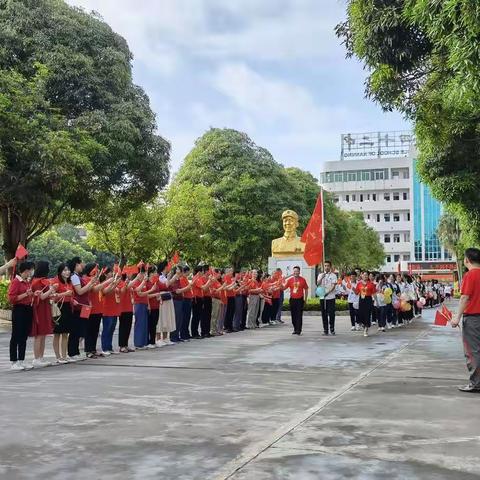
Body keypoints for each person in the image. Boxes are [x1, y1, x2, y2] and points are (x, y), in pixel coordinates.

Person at [451, 248, 480, 393]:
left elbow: (464, 298)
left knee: (472, 351)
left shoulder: (470, 275)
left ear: (467, 260)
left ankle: (476, 383)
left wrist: (456, 317)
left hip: (473, 319)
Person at [68, 257, 97, 361]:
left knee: (81, 330)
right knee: (75, 330)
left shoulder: (78, 277)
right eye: (81, 263)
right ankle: (72, 352)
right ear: (76, 265)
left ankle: (76, 352)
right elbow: (79, 291)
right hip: (77, 307)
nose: (83, 265)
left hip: (83, 306)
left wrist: (91, 283)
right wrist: (90, 283)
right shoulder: (74, 277)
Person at [8, 261, 35, 370]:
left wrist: (33, 294)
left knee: (24, 335)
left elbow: (28, 295)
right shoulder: (16, 281)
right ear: (26, 270)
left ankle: (21, 360)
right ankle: (14, 361)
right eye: (30, 270)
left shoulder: (27, 282)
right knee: (16, 335)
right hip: (19, 310)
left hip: (28, 309)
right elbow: (12, 299)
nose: (31, 272)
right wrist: (25, 294)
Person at [30, 261, 57, 367]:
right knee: (39, 335)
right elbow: (41, 297)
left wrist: (51, 292)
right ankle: (36, 358)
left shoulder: (42, 281)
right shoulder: (37, 282)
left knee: (43, 334)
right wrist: (51, 290)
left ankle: (41, 357)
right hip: (39, 309)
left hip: (44, 308)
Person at [52, 263, 74, 364]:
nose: (67, 272)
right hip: (58, 308)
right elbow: (52, 296)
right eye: (64, 270)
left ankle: (64, 356)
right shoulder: (56, 281)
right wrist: (65, 294)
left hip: (67, 308)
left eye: (68, 270)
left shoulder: (69, 282)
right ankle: (58, 356)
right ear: (60, 272)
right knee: (57, 333)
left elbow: (71, 294)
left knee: (65, 333)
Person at [101, 267, 121, 355]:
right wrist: (112, 284)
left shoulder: (111, 282)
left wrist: (116, 283)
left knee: (112, 329)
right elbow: (105, 292)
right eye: (110, 272)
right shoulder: (103, 283)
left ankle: (109, 347)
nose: (111, 274)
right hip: (107, 309)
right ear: (105, 274)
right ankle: (105, 348)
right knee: (107, 329)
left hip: (114, 309)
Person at [284, 266, 309, 335]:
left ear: (299, 272)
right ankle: (295, 328)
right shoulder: (290, 280)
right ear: (293, 272)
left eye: (297, 271)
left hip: (300, 300)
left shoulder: (303, 280)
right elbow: (283, 288)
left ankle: (298, 330)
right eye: (294, 271)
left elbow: (306, 289)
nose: (296, 272)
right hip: (292, 300)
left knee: (299, 315)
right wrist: (279, 284)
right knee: (293, 315)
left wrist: (305, 299)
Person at [317, 261, 338, 335]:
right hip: (322, 297)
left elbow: (333, 286)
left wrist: (327, 293)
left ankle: (332, 328)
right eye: (325, 266)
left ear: (330, 266)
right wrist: (322, 277)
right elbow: (317, 284)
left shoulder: (333, 275)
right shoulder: (320, 275)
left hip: (331, 297)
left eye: (328, 266)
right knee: (324, 314)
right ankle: (325, 329)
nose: (326, 267)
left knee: (332, 314)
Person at [356, 271, 376, 337]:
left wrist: (377, 302)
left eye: (366, 275)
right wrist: (353, 290)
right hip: (361, 299)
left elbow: (374, 293)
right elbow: (356, 292)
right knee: (361, 314)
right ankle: (364, 325)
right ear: (362, 276)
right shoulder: (359, 284)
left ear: (368, 276)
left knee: (367, 314)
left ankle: (366, 329)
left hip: (368, 299)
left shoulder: (371, 284)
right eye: (364, 275)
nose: (365, 276)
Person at [118, 272, 134, 353]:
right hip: (123, 308)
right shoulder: (120, 283)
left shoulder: (128, 283)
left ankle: (126, 345)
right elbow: (122, 292)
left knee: (128, 327)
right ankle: (121, 346)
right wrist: (126, 284)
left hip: (129, 308)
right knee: (123, 328)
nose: (130, 274)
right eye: (128, 273)